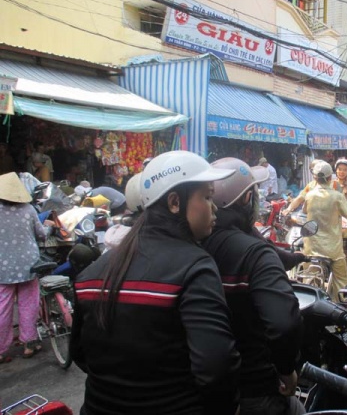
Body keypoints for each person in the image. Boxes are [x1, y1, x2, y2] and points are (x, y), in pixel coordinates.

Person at [70, 151, 241, 414]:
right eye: (207, 197)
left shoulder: (92, 274)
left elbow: (82, 355)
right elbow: (216, 366)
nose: (214, 207)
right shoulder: (195, 266)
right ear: (174, 202)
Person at [204, 158, 304, 415]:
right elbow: (283, 324)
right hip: (256, 389)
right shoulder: (253, 253)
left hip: (203, 387)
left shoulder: (193, 242)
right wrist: (286, 371)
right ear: (248, 198)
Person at [0, 172, 50, 363]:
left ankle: (2, 349)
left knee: (2, 307)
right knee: (28, 303)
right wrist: (50, 229)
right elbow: (41, 234)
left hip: (2, 266)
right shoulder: (28, 209)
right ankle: (29, 343)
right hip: (28, 264)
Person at [303, 161, 347, 301]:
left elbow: (304, 210)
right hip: (333, 249)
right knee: (341, 280)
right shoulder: (337, 196)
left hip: (311, 248)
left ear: (315, 178)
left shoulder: (309, 195)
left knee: (309, 276)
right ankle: (339, 305)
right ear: (330, 178)